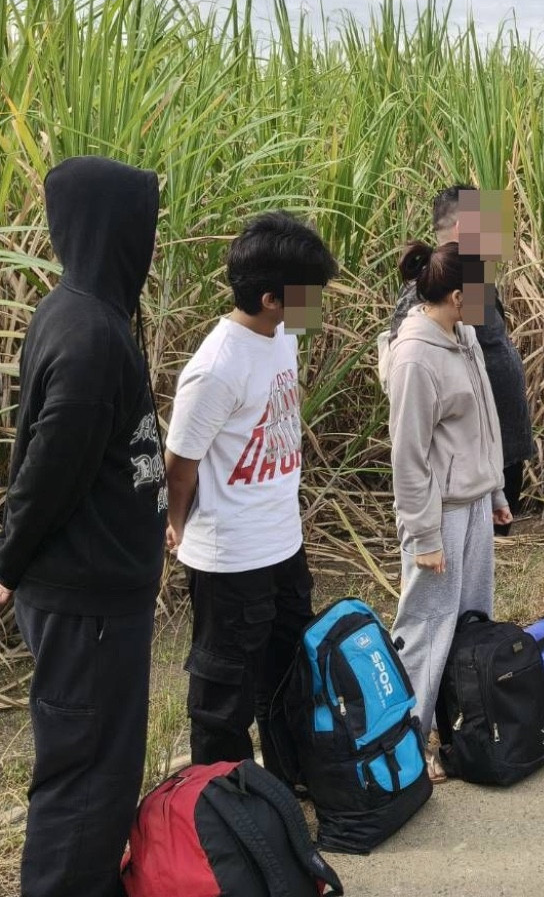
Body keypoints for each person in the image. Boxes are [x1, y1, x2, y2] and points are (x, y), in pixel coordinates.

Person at [0, 156, 166, 897]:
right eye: (142, 225)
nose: (149, 241)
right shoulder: (89, 333)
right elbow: (52, 462)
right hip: (87, 605)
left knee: (101, 766)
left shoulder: (82, 310)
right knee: (84, 774)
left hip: (98, 596)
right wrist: (7, 557)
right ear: (111, 229)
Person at [163, 211, 338, 786]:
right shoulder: (216, 368)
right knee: (225, 696)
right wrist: (176, 524)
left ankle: (287, 786)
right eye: (310, 293)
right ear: (270, 299)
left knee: (288, 676)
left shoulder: (281, 335)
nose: (318, 304)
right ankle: (223, 808)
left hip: (283, 543)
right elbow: (179, 465)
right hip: (231, 558)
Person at [385, 240, 512, 783]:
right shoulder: (415, 357)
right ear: (458, 296)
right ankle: (403, 746)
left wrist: (496, 491)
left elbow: (484, 420)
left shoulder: (464, 336)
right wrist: (424, 535)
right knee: (425, 625)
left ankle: (461, 729)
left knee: (470, 619)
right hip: (439, 513)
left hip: (475, 501)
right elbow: (408, 456)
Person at [389, 185, 535, 536]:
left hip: (496, 447)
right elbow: (406, 371)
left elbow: (489, 346)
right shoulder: (426, 289)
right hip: (462, 463)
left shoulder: (476, 278)